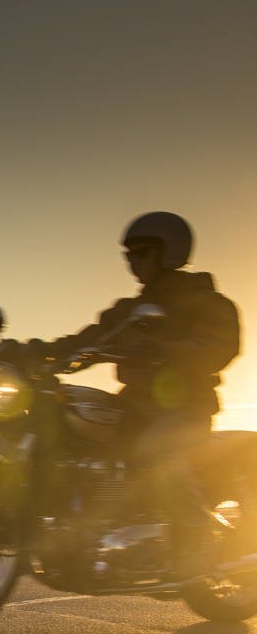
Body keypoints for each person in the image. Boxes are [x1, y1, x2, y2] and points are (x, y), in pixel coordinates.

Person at [37, 212, 240, 576]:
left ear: (170, 253)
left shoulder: (209, 303)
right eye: (129, 254)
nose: (134, 261)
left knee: (155, 450)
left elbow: (220, 346)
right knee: (67, 432)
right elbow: (89, 340)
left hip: (185, 409)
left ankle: (197, 534)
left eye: (142, 252)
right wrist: (38, 351)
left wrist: (165, 351)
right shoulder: (129, 311)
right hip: (133, 408)